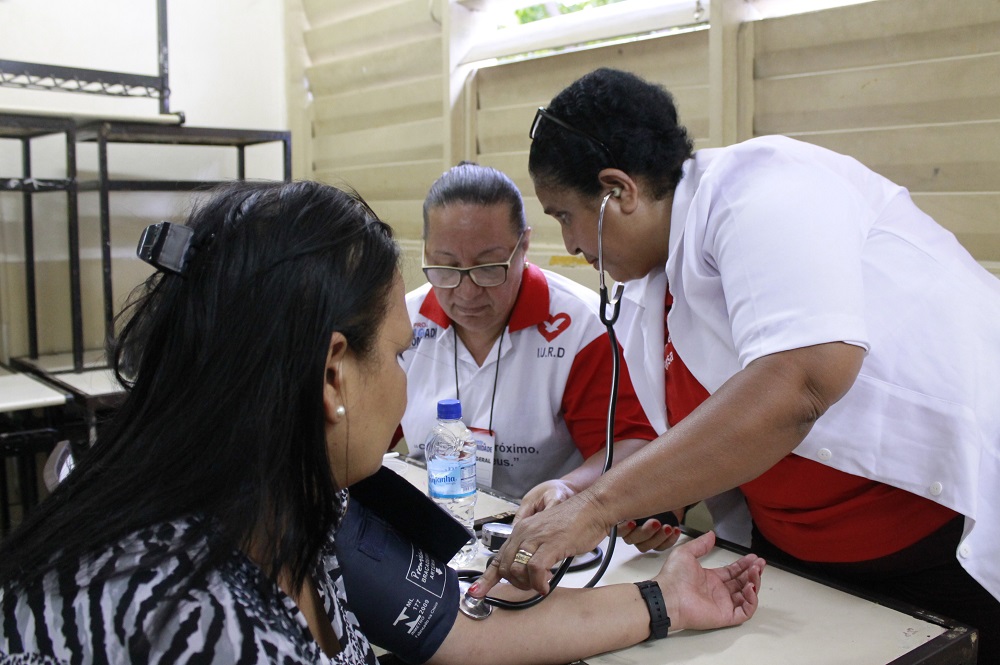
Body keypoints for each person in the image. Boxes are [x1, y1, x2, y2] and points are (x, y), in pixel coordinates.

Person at [0, 180, 765, 664]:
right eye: (399, 357)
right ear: (334, 372)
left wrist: (666, 601)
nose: (406, 387)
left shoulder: (297, 504)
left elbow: (461, 629)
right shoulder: (187, 617)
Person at [472, 67, 1000, 661]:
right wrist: (574, 492)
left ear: (617, 191)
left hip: (936, 545)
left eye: (564, 214)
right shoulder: (652, 282)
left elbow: (800, 383)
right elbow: (692, 437)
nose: (568, 244)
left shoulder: (765, 188)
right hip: (805, 561)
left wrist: (600, 507)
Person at [400, 162, 672, 527]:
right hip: (433, 521)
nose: (466, 292)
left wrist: (571, 487)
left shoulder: (581, 326)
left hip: (544, 531)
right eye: (445, 266)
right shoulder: (404, 322)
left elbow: (632, 442)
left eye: (488, 267)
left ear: (523, 245)